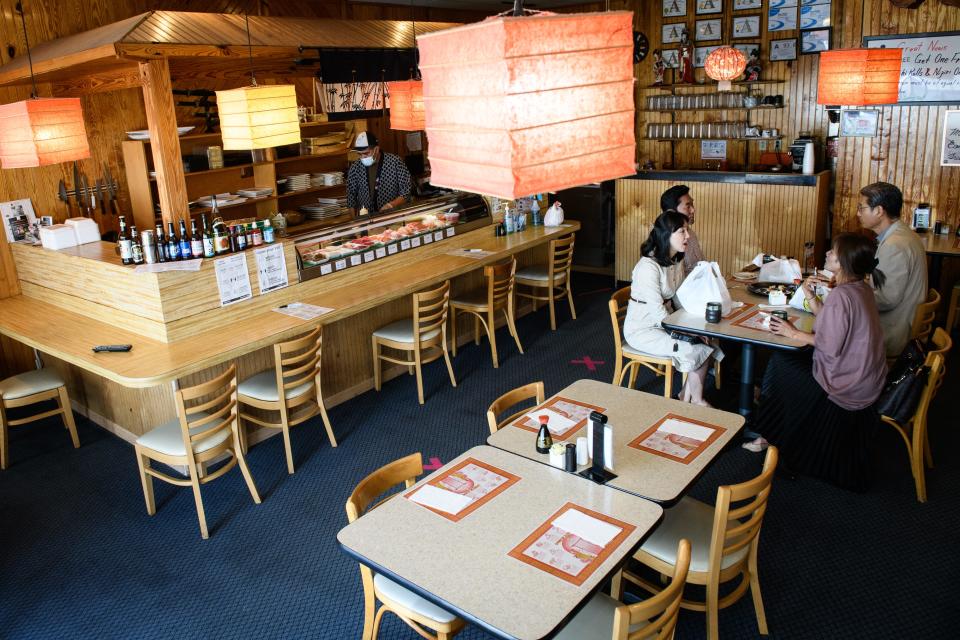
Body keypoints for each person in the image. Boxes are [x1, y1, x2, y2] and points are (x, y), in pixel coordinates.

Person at [753, 233, 888, 491]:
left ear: (844, 262)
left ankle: (777, 438)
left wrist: (792, 333)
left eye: (833, 252)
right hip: (867, 377)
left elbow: (830, 344)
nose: (827, 253)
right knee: (792, 358)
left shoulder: (842, 296)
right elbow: (834, 324)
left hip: (848, 383)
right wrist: (810, 295)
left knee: (780, 365)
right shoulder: (861, 289)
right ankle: (777, 431)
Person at [623, 210, 723, 406]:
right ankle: (697, 400)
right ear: (666, 235)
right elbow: (657, 312)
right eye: (682, 231)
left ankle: (687, 399)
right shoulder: (647, 267)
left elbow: (678, 298)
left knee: (708, 339)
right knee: (695, 346)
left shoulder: (675, 259)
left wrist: (696, 325)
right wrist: (685, 332)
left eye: (687, 230)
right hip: (643, 329)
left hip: (664, 322)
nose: (688, 235)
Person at [855, 182, 927, 358]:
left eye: (861, 208)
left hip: (892, 331)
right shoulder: (903, 234)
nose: (858, 213)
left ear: (879, 211)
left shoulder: (895, 245)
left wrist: (848, 294)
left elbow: (885, 299)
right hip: (901, 320)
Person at [346, 131, 412, 216]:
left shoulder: (395, 162)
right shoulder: (355, 167)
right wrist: (355, 222)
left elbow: (406, 190)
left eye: (366, 153)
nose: (362, 157)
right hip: (366, 220)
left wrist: (391, 205)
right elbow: (351, 197)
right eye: (360, 154)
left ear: (376, 149)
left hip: (393, 217)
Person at [660, 184, 704, 276]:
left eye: (692, 204)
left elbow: (701, 264)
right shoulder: (662, 238)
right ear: (671, 212)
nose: (693, 210)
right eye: (688, 206)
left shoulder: (690, 232)